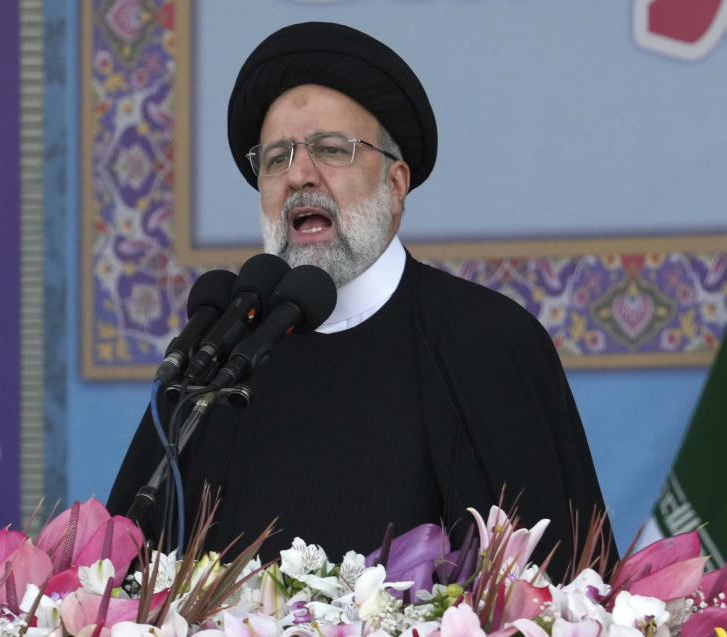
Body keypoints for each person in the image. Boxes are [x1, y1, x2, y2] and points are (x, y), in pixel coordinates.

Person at [107, 22, 613, 580]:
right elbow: (125, 585)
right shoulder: (220, 359)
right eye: (276, 158)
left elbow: (559, 598)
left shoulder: (488, 342)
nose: (298, 174)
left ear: (396, 184)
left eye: (330, 149)